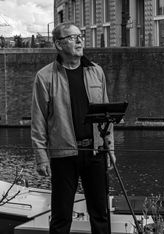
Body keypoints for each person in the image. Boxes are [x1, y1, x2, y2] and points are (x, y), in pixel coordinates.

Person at [31, 22, 115, 234]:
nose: (79, 41)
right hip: (63, 154)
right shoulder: (45, 77)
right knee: (61, 216)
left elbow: (107, 117)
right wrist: (41, 156)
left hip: (95, 152)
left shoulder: (96, 72)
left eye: (81, 36)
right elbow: (38, 119)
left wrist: (110, 150)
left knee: (101, 214)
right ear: (59, 44)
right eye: (72, 37)